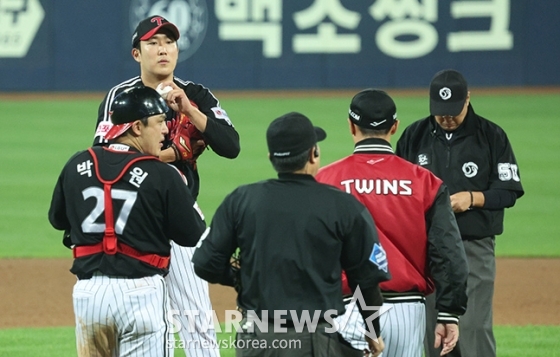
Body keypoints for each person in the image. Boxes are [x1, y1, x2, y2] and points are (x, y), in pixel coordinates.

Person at [93, 15, 240, 356]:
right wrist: (172, 154)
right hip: (133, 219)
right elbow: (106, 161)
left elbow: (230, 146)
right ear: (136, 54)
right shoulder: (120, 98)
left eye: (169, 42)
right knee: (146, 321)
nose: (163, 50)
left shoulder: (197, 94)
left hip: (182, 215)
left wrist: (189, 108)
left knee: (197, 319)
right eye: (153, 43)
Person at [191, 112, 391, 357]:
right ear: (313, 154)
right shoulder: (343, 206)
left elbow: (205, 263)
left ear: (271, 158)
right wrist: (373, 332)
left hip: (256, 339)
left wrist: (243, 277)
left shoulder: (241, 200)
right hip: (313, 339)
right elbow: (366, 281)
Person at [48, 86, 207, 356]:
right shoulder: (162, 174)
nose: (166, 131)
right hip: (141, 293)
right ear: (136, 127)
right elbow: (192, 234)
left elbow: (57, 219)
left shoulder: (76, 164)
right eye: (159, 123)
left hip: (90, 296)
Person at [315, 89, 469, 357]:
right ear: (395, 127)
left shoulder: (325, 180)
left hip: (344, 308)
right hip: (407, 312)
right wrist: (448, 312)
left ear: (351, 126)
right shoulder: (426, 182)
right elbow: (448, 252)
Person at [396, 69, 525, 357]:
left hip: (474, 246)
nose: (446, 118)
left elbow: (509, 191)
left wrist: (472, 198)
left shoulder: (491, 136)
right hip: (428, 248)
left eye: (452, 111)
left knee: (474, 328)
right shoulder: (414, 135)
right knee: (434, 331)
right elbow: (398, 189)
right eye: (440, 112)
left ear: (467, 98)